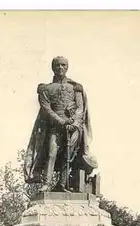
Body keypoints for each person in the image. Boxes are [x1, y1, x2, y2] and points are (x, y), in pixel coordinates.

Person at [24, 56, 98, 192]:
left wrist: (75, 123)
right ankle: (46, 183)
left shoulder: (75, 88)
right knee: (52, 153)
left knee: (69, 155)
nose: (60, 68)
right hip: (55, 126)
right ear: (53, 68)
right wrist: (62, 122)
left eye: (63, 65)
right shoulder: (45, 89)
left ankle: (62, 184)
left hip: (73, 127)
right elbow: (46, 109)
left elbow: (80, 108)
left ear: (67, 67)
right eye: (57, 65)